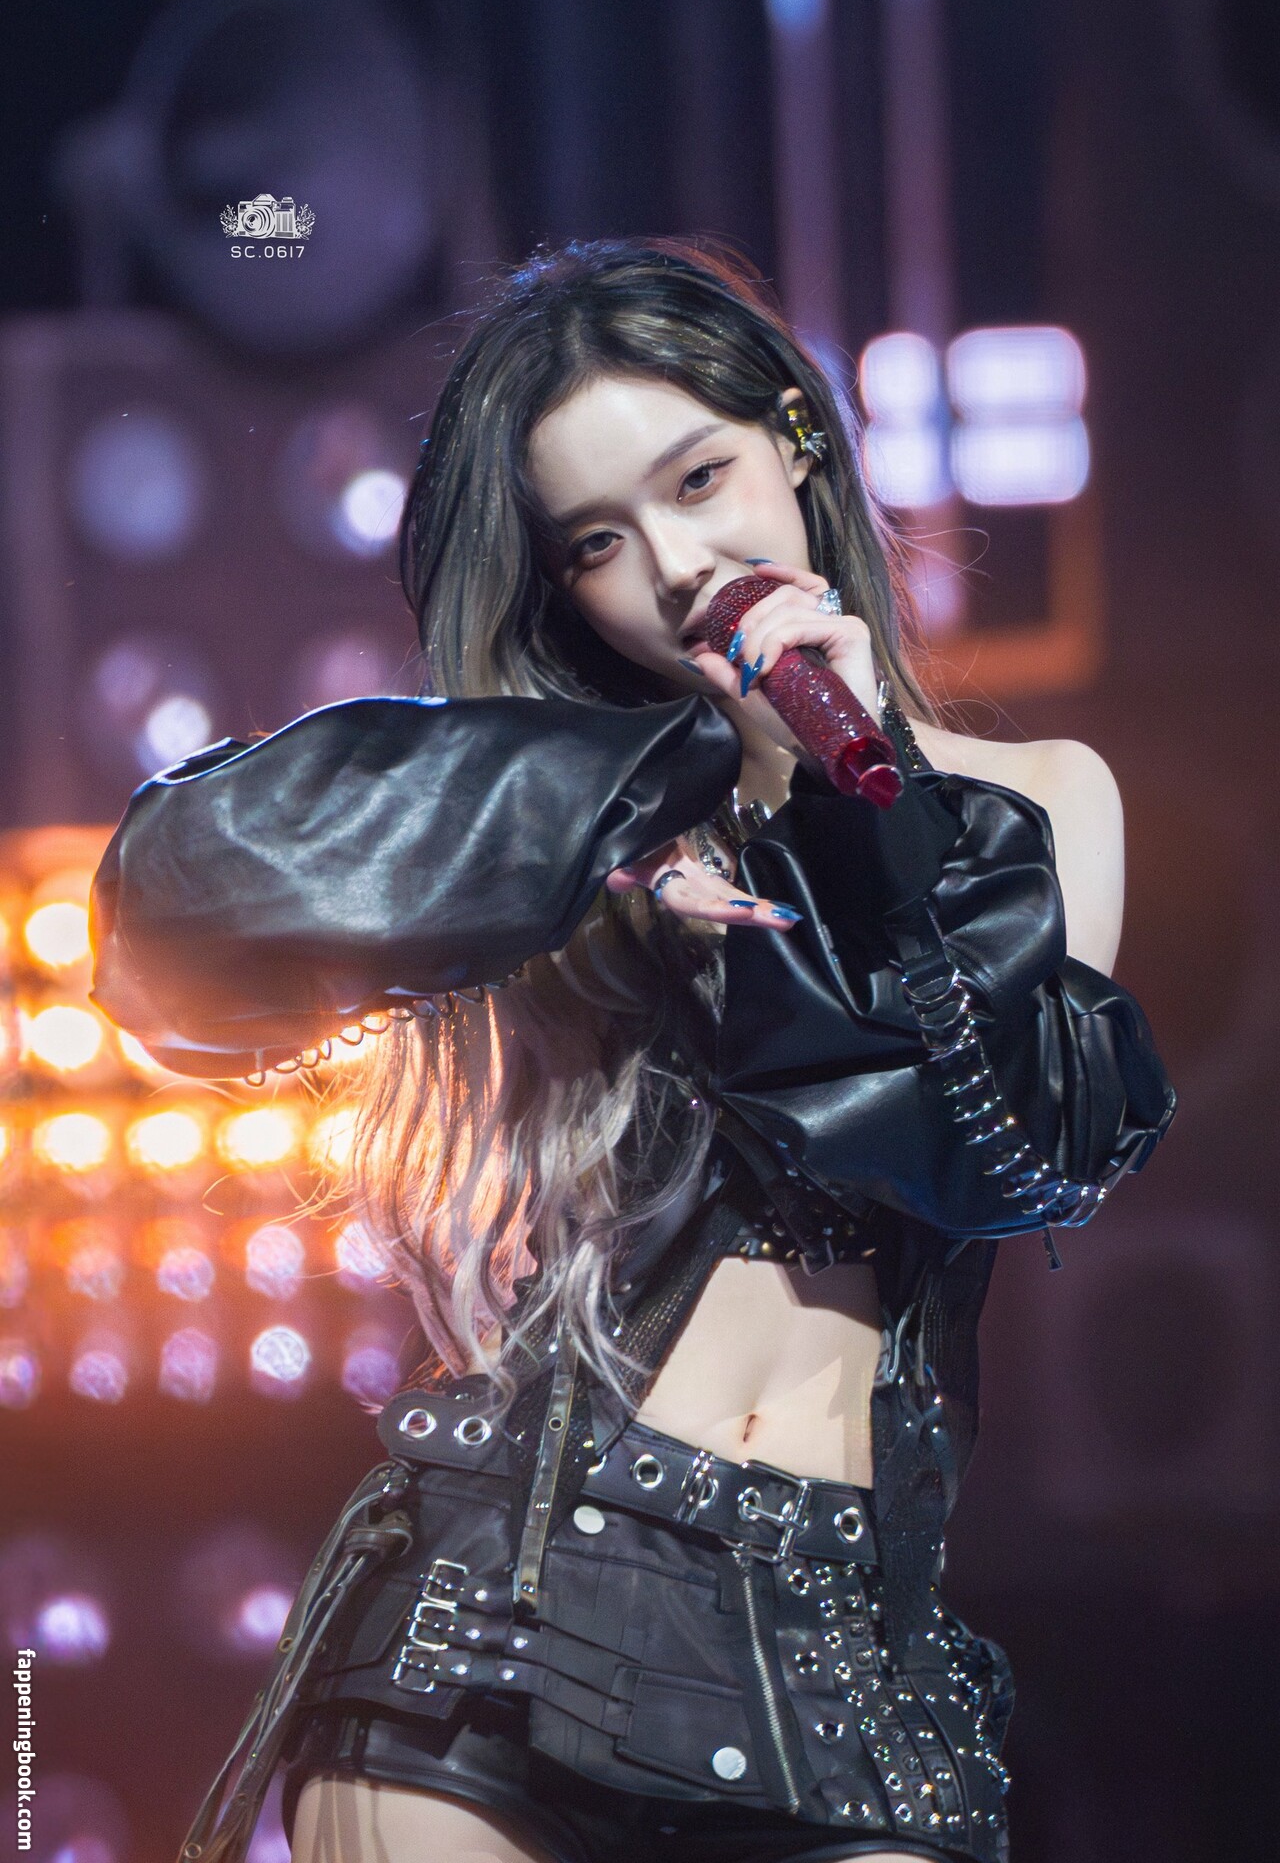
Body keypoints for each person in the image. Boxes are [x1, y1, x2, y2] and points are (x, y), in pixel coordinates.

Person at [90, 239, 1175, 1863]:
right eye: (598, 540)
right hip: (504, 1613)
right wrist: (602, 815)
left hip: (839, 1647)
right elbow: (167, 914)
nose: (675, 564)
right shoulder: (582, 827)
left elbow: (1004, 1156)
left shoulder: (1044, 804)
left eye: (700, 478)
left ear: (798, 438)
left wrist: (842, 804)